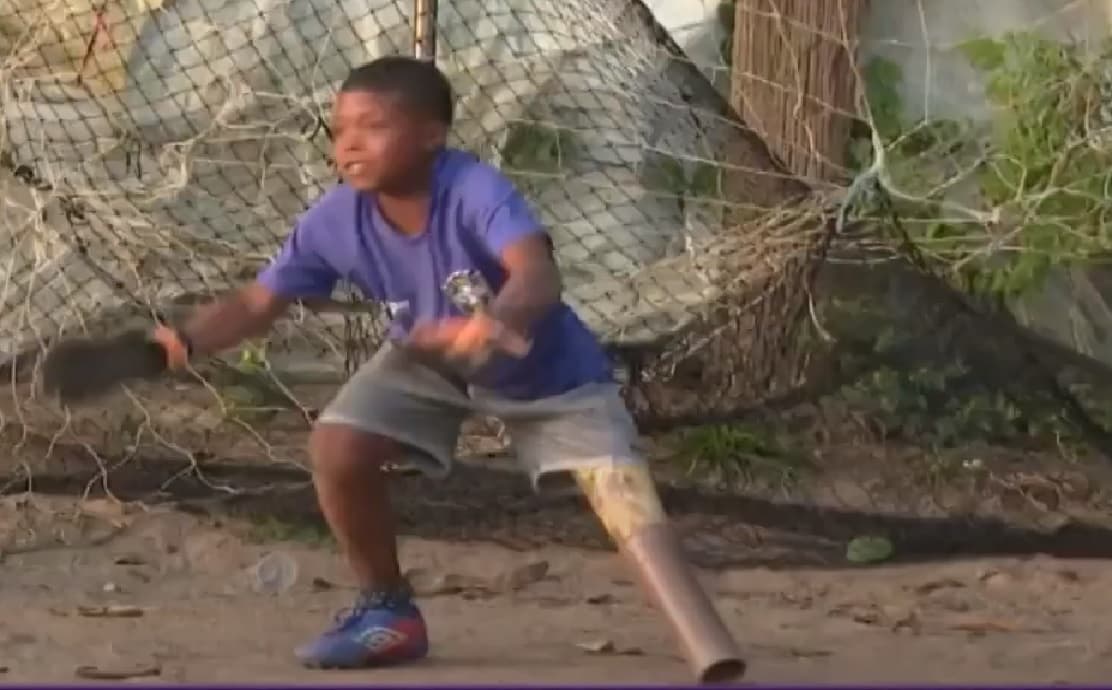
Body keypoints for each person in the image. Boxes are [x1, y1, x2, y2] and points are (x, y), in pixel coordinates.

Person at [150, 55, 707, 670]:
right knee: (337, 446)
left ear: (431, 135)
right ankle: (387, 613)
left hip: (547, 369)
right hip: (426, 360)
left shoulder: (474, 189)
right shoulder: (334, 219)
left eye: (373, 127)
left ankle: (706, 646)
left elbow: (537, 273)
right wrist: (184, 341)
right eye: (340, 129)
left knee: (622, 495)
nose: (349, 144)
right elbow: (258, 302)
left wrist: (497, 321)